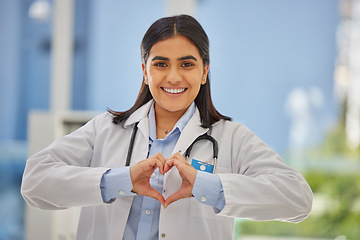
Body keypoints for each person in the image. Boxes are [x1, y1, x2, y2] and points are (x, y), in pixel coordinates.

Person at [21, 14, 313, 240]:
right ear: (145, 72)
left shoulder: (231, 138)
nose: (173, 77)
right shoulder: (106, 129)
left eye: (187, 64)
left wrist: (205, 186)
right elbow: (35, 181)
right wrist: (120, 180)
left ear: (204, 72)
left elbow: (297, 199)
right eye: (160, 64)